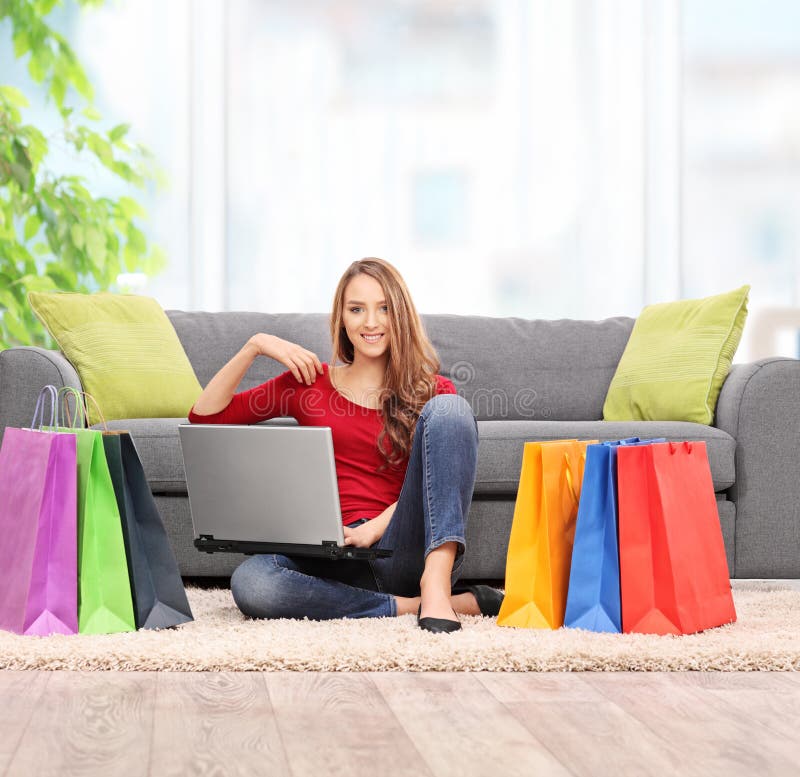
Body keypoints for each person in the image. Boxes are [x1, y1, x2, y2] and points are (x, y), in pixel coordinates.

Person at [188, 257, 503, 633]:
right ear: (341, 318)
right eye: (357, 309)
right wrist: (256, 346)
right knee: (253, 582)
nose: (371, 322)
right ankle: (412, 606)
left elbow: (439, 486)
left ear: (400, 315)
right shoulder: (308, 383)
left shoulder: (434, 391)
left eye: (384, 308)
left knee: (452, 409)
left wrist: (377, 525)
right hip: (337, 552)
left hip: (402, 548)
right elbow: (205, 417)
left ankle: (435, 586)